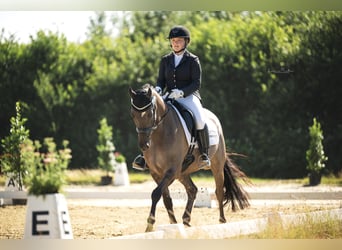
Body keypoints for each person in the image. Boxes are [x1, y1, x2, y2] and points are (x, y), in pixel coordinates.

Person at [133, 25, 211, 171]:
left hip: (188, 96)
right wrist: (158, 89)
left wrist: (181, 92)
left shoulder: (193, 60)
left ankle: (204, 155)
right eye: (173, 40)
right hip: (168, 96)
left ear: (186, 42)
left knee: (200, 119)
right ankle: (144, 156)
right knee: (152, 117)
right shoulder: (165, 60)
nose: (176, 43)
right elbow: (161, 80)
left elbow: (196, 83)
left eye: (179, 40)